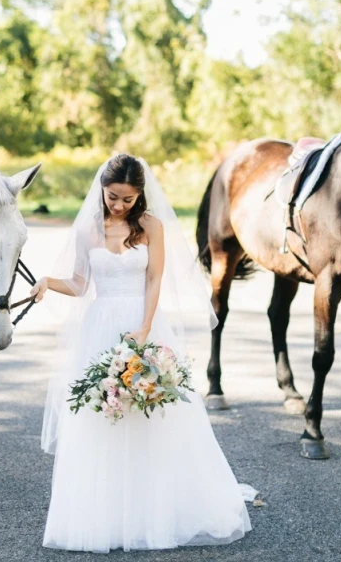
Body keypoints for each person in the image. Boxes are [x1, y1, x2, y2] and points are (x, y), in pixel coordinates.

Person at [30, 153, 255, 553]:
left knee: (152, 414)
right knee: (102, 416)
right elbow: (81, 284)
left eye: (127, 200)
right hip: (100, 328)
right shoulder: (88, 229)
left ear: (140, 197)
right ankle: (105, 515)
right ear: (102, 188)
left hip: (141, 322)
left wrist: (146, 329)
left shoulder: (152, 226)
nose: (118, 205)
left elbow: (154, 278)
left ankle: (152, 511)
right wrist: (48, 281)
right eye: (113, 197)